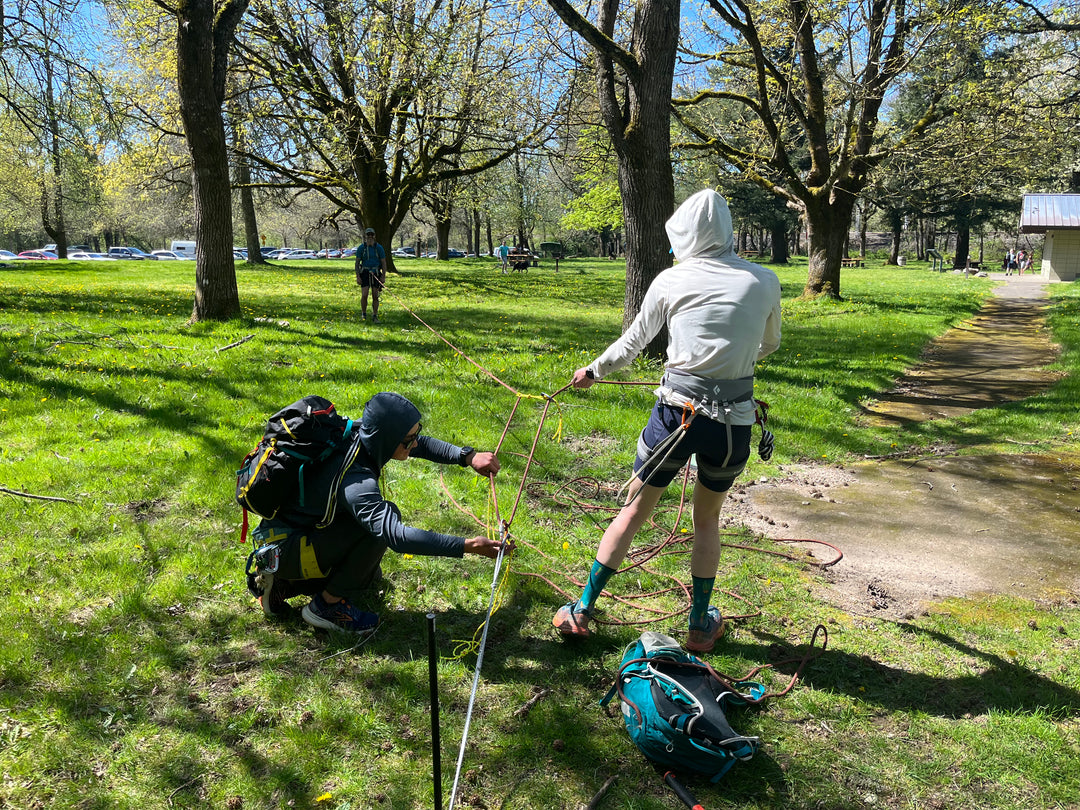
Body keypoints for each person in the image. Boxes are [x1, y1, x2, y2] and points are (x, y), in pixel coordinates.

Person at [552, 189, 782, 653]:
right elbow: (770, 344)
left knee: (634, 510)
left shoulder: (671, 280)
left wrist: (592, 371)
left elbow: (634, 340)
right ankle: (700, 625)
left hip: (674, 416)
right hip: (733, 423)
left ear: (685, 233)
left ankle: (581, 609)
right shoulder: (765, 281)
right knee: (706, 520)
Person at [251, 392, 508, 635]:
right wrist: (470, 545)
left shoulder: (358, 433)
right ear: (388, 439)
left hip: (284, 536)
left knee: (368, 577)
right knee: (380, 527)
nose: (415, 442)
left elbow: (422, 446)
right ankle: (325, 606)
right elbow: (399, 538)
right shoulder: (356, 483)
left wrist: (468, 457)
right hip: (288, 546)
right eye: (409, 439)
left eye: (416, 434)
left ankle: (285, 583)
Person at [355, 227, 387, 322]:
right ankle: (363, 314)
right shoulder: (361, 248)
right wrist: (358, 276)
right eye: (368, 235)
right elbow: (357, 263)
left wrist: (383, 276)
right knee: (364, 295)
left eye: (371, 235)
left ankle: (374, 315)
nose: (370, 237)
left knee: (375, 295)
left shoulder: (379, 248)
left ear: (374, 236)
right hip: (364, 273)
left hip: (376, 273)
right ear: (365, 236)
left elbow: (384, 262)